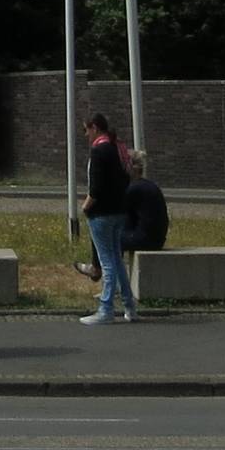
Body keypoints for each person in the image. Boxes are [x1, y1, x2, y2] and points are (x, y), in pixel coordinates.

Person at [78, 114, 136, 325]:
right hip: (119, 210)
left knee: (107, 262)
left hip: (101, 213)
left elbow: (96, 187)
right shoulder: (117, 148)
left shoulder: (99, 150)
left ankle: (106, 309)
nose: (86, 135)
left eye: (86, 130)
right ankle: (129, 306)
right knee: (117, 260)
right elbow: (126, 177)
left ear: (94, 128)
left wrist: (86, 206)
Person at [122, 149, 168, 314]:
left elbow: (117, 209)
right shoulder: (148, 185)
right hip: (155, 237)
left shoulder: (134, 189)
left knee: (109, 240)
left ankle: (107, 281)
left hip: (146, 239)